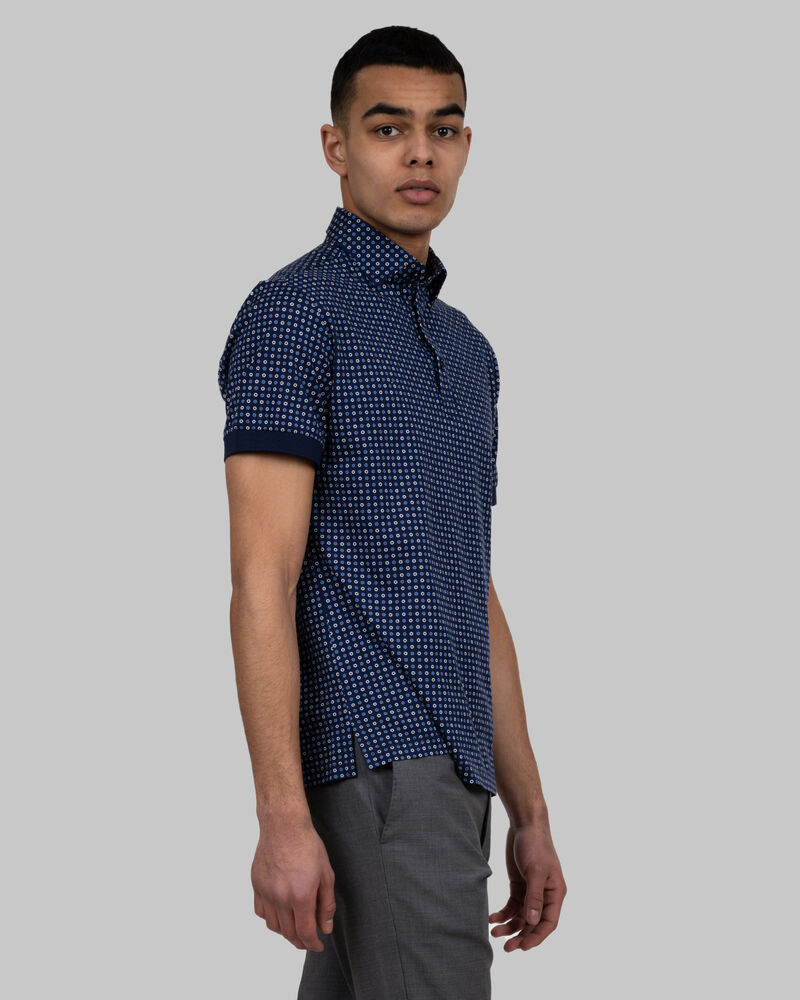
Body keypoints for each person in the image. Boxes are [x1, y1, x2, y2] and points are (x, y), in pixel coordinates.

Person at [217, 24, 567, 1000]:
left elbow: (471, 588)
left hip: (455, 770)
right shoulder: (295, 314)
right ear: (336, 146)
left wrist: (530, 810)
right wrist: (281, 813)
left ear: (466, 145)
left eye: (442, 130)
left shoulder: (466, 349)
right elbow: (261, 577)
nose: (420, 154)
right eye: (387, 128)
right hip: (375, 758)